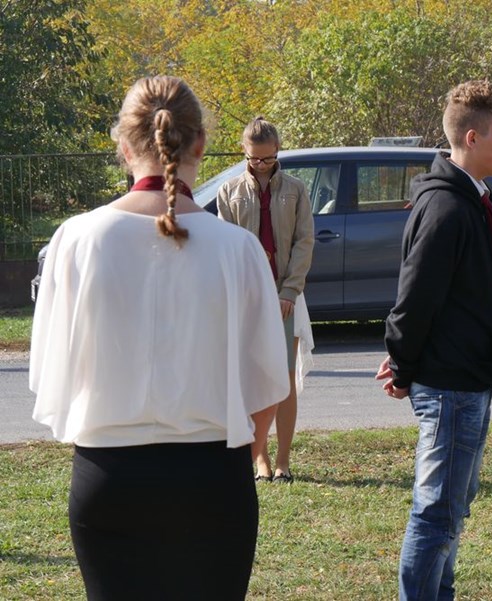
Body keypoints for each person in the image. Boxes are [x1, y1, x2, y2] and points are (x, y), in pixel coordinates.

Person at [29, 75, 288, 600]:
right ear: (201, 144)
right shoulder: (238, 248)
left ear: (124, 147)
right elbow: (267, 384)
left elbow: (50, 376)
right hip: (212, 473)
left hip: (109, 474)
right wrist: (237, 460)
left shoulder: (74, 239)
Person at [375, 80, 492, 601]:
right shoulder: (446, 207)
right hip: (450, 387)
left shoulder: (471, 197)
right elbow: (414, 300)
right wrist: (403, 365)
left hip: (470, 378)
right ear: (473, 137)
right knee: (436, 513)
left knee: (452, 510)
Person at [217, 117, 315, 484]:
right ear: (244, 152)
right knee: (251, 377)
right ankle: (260, 460)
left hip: (286, 296)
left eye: (268, 158)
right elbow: (226, 245)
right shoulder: (229, 192)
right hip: (247, 297)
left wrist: (289, 291)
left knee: (284, 378)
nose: (261, 165)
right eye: (254, 158)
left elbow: (305, 241)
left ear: (278, 152)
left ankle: (283, 462)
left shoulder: (296, 189)